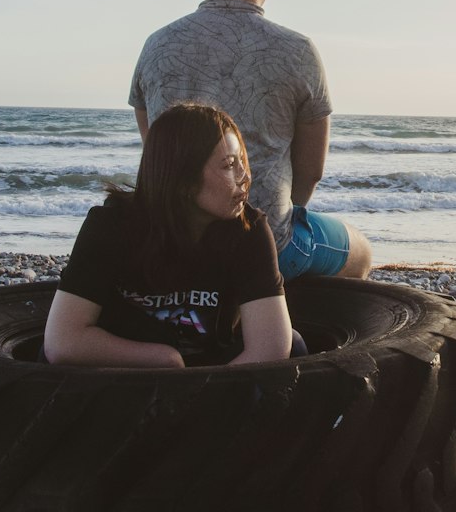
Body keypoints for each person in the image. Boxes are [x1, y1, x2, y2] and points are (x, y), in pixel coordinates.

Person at [129, 0, 372, 282]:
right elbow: (311, 173)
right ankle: (290, 313)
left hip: (173, 240)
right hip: (265, 242)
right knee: (358, 251)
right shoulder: (297, 50)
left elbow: (157, 150)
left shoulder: (157, 45)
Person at [44, 103, 293, 368]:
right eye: (229, 165)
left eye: (242, 161)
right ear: (183, 178)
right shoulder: (111, 226)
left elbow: (272, 347)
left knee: (297, 345)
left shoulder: (248, 230)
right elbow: (63, 342)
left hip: (216, 367)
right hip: (126, 370)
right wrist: (165, 359)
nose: (244, 176)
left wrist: (205, 396)